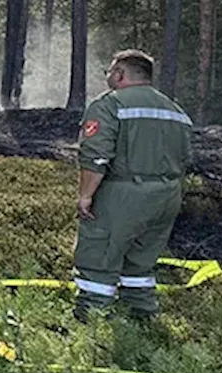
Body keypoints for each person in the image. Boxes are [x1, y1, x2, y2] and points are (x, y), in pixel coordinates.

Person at [72, 49, 192, 322]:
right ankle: (142, 322)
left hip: (123, 196)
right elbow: (185, 156)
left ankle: (91, 327)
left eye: (111, 71)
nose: (108, 77)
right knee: (141, 264)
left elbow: (96, 156)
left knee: (98, 260)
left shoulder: (109, 105)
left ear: (121, 74)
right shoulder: (175, 111)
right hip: (167, 196)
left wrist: (85, 196)